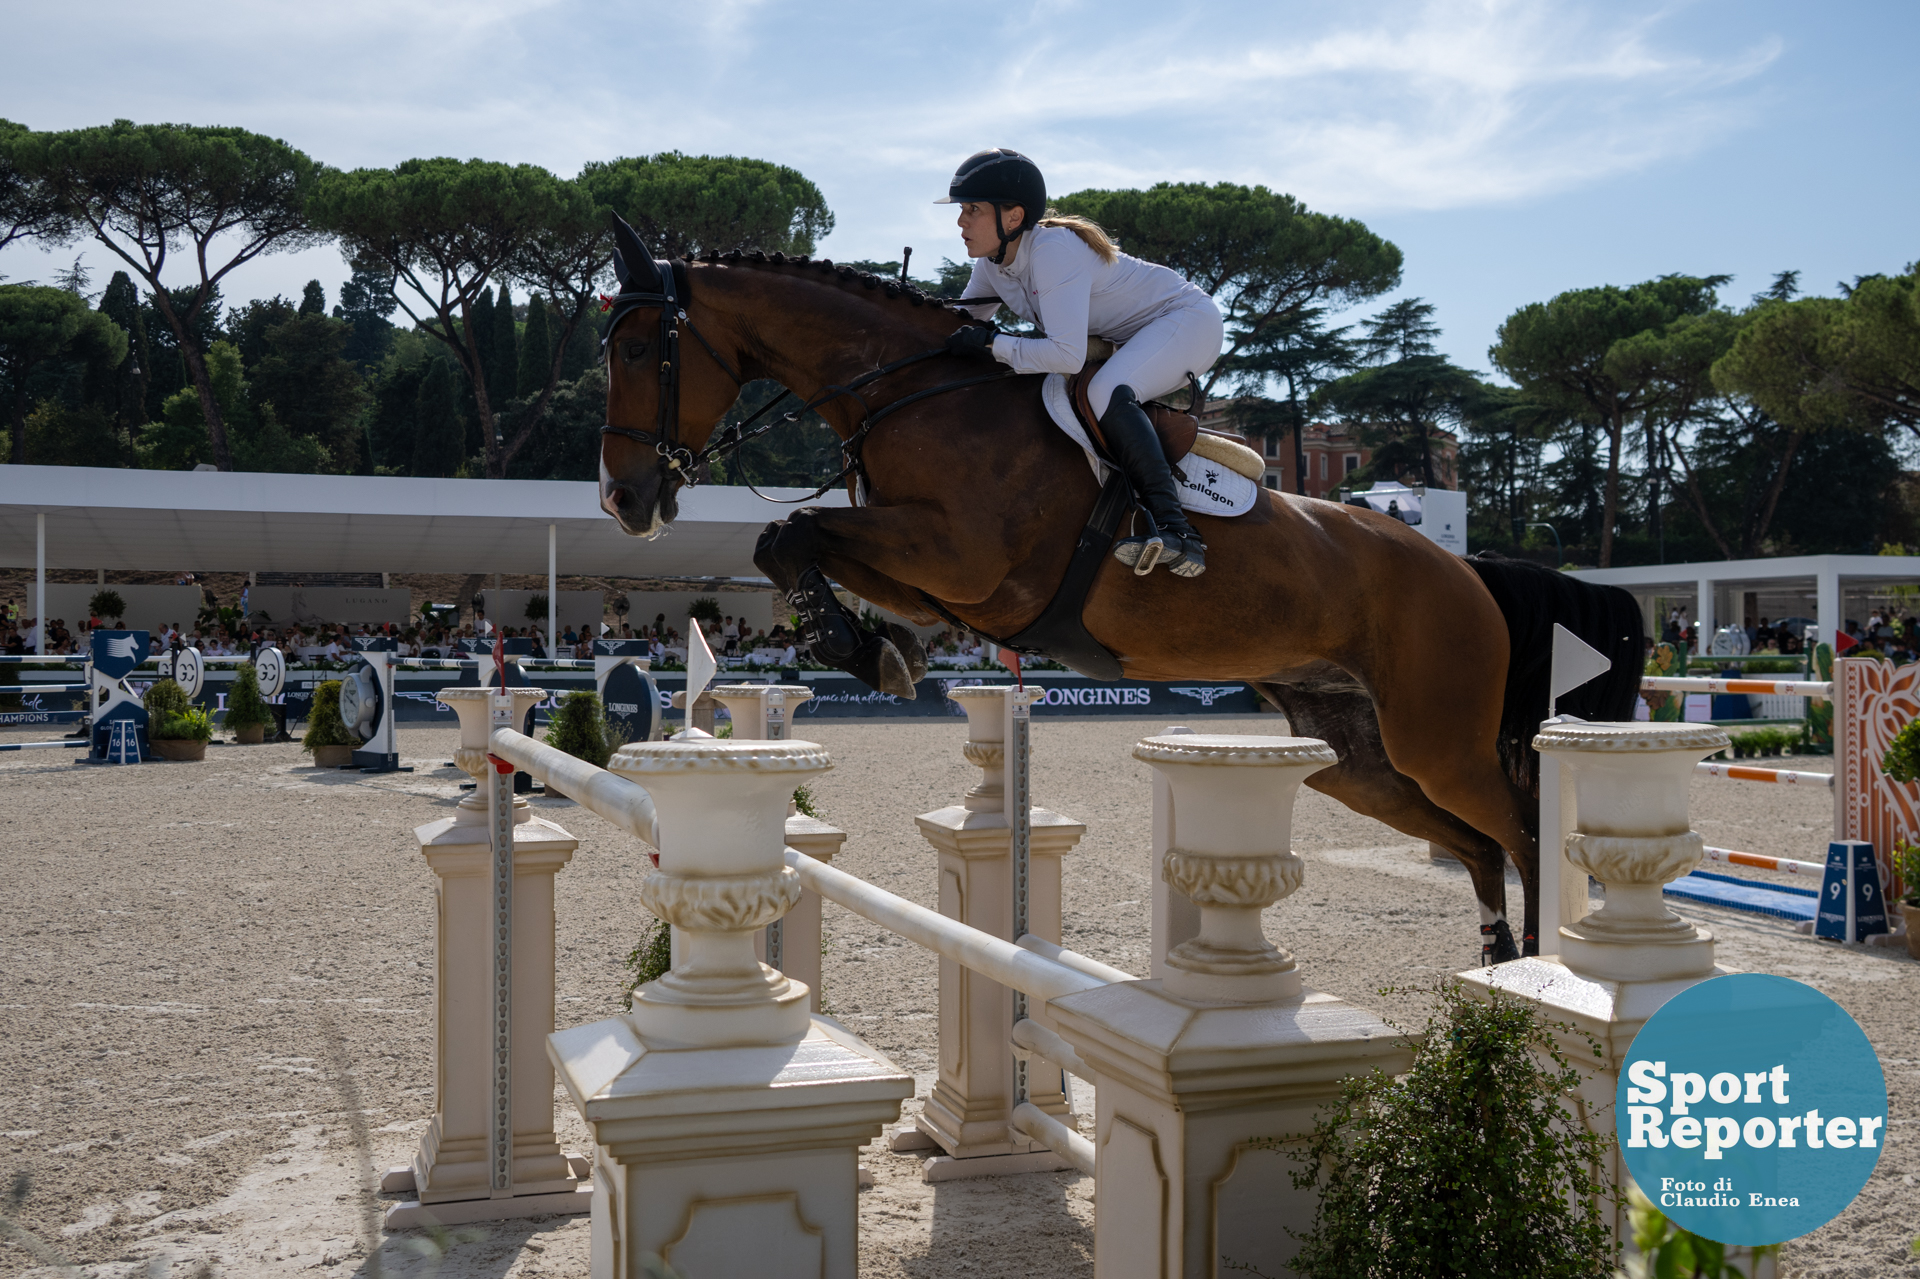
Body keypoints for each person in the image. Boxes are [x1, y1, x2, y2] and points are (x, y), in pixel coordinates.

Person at [936, 148, 1225, 577]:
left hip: (1187, 321)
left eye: (972, 210)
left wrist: (994, 344)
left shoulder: (1052, 250)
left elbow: (1065, 356)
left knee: (1104, 390)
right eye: (962, 210)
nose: (961, 222)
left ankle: (1178, 531)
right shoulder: (991, 265)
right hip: (1132, 338)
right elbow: (959, 328)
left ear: (1013, 218)